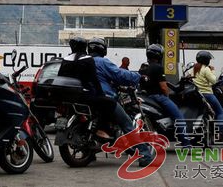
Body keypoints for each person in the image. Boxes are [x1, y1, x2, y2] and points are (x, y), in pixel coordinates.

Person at [88, 37, 154, 167]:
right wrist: (139, 77)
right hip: (105, 97)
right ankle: (145, 156)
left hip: (87, 97)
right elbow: (119, 75)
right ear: (103, 49)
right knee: (128, 125)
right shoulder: (102, 62)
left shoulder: (84, 61)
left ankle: (90, 153)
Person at [58, 36, 115, 137]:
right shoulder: (88, 59)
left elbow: (60, 77)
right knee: (110, 103)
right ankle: (101, 129)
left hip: (66, 97)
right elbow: (94, 79)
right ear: (84, 47)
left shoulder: (66, 59)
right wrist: (101, 93)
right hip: (84, 96)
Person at [143, 44, 191, 147]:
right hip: (158, 96)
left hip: (147, 96)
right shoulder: (158, 68)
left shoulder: (144, 67)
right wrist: (167, 96)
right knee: (179, 118)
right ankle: (186, 145)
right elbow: (164, 87)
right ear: (159, 55)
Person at [192, 51, 223, 140]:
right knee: (220, 112)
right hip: (207, 94)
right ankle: (220, 133)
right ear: (206, 60)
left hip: (196, 95)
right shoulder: (206, 69)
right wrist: (212, 70)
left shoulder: (194, 68)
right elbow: (214, 81)